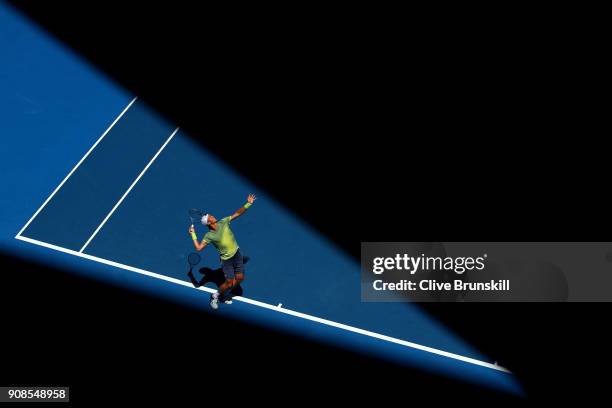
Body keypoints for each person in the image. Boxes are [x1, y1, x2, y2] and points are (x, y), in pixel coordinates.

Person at [188, 194, 256, 309]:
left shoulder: (223, 222)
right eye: (211, 217)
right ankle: (216, 296)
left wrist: (248, 203)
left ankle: (225, 294)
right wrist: (193, 234)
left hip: (237, 253)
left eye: (212, 215)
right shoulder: (209, 236)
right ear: (209, 223)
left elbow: (237, 213)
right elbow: (199, 248)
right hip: (226, 260)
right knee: (229, 282)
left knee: (240, 278)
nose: (214, 216)